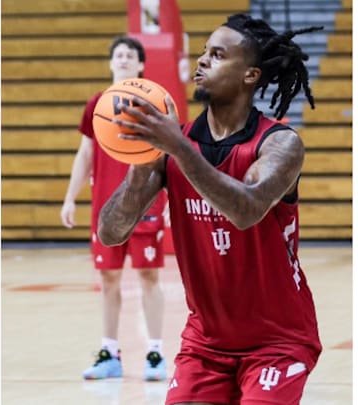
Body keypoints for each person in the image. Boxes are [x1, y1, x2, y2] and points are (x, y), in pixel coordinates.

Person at [98, 14, 322, 404]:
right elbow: (111, 231)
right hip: (206, 343)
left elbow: (247, 209)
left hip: (278, 341)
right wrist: (142, 162)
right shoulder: (175, 147)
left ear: (250, 75)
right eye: (204, 52)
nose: (202, 61)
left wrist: (178, 149)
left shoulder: (279, 144)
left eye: (217, 55)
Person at [61, 36, 168, 381]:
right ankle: (110, 352)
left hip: (145, 203)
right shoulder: (97, 104)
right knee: (108, 279)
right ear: (111, 63)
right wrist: (70, 196)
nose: (122, 59)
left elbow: (172, 155)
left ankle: (155, 352)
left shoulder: (154, 102)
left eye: (129, 55)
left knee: (149, 277)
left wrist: (171, 201)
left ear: (140, 65)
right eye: (118, 54)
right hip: (106, 208)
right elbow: (85, 154)